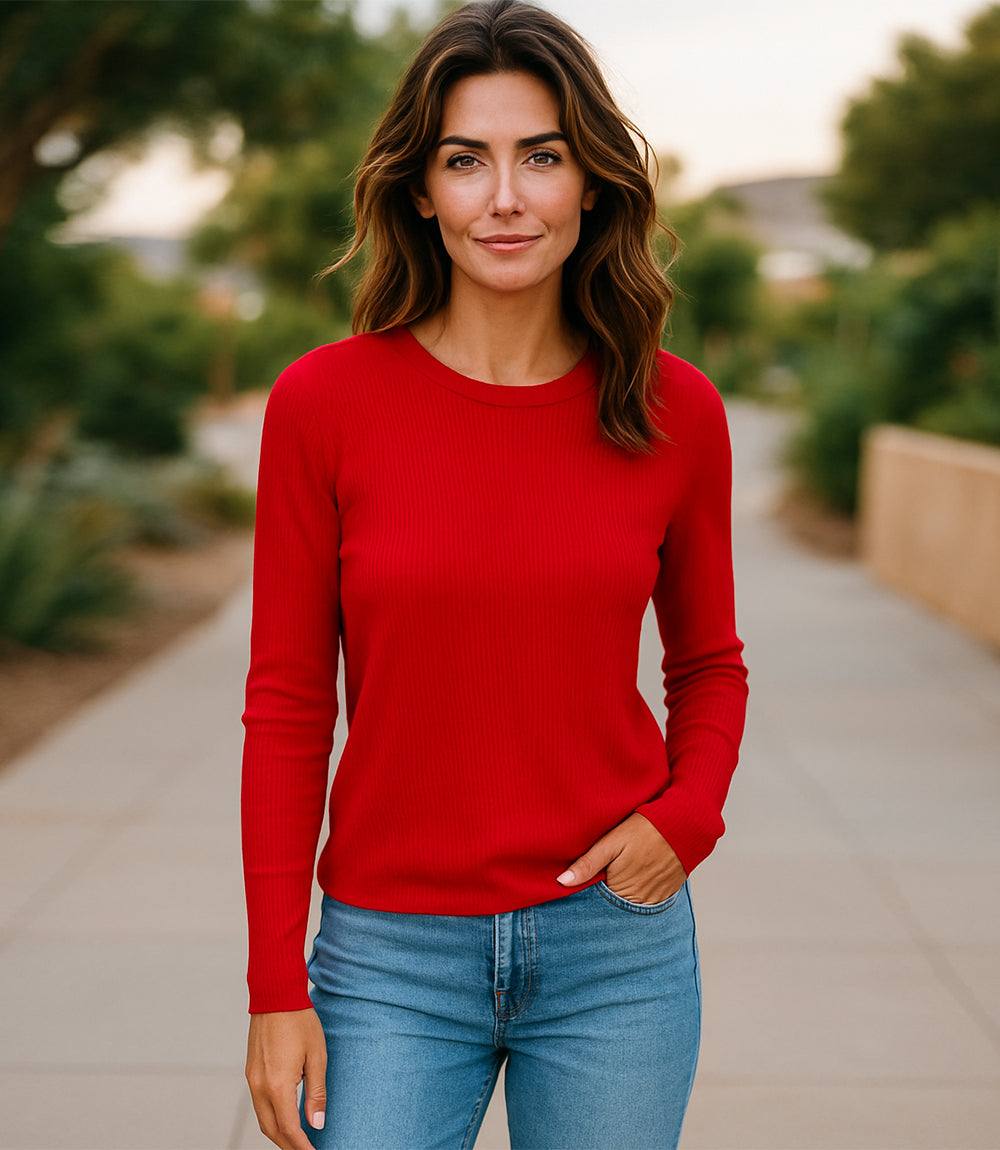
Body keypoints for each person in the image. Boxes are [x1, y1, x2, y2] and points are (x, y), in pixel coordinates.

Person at [240, 2, 750, 1147]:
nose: (505, 196)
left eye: (543, 157)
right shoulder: (325, 406)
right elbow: (285, 706)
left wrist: (687, 815)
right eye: (466, 161)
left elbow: (710, 665)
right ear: (421, 191)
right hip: (388, 957)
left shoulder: (676, 412)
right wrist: (277, 984)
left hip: (615, 946)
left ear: (592, 183)